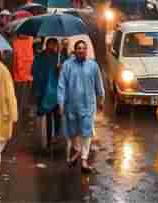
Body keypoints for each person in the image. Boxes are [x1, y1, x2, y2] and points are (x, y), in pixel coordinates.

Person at [58, 40, 105, 173]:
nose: (81, 50)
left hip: (88, 106)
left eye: (83, 48)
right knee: (73, 132)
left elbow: (98, 83)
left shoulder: (93, 66)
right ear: (75, 50)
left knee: (86, 133)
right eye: (78, 48)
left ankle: (84, 159)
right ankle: (77, 150)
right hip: (71, 105)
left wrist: (101, 98)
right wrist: (61, 102)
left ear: (86, 51)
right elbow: (61, 85)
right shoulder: (67, 66)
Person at [33, 38, 61, 149]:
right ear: (47, 44)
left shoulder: (58, 57)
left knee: (57, 115)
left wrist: (59, 70)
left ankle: (56, 136)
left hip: (57, 91)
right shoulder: (40, 57)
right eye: (50, 44)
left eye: (54, 44)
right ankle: (49, 141)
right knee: (48, 116)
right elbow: (34, 71)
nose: (52, 46)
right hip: (45, 91)